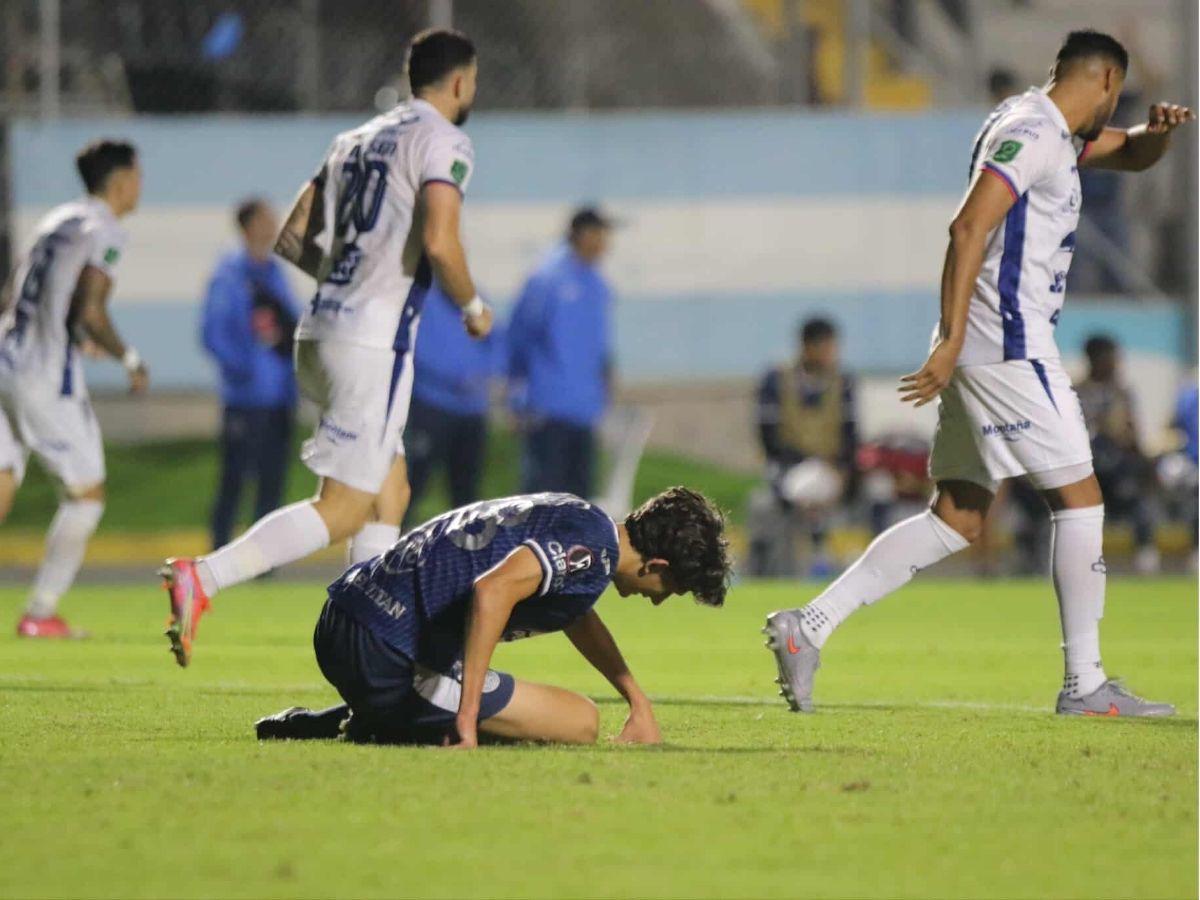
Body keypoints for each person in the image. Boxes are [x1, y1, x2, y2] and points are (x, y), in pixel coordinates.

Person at [764, 30, 1192, 717]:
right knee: (1080, 500)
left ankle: (807, 628)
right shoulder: (1034, 133)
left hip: (987, 345)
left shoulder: (1046, 127)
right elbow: (968, 227)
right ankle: (1085, 683)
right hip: (1007, 343)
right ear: (1107, 81)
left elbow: (1131, 153)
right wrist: (953, 337)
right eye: (1119, 101)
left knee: (958, 516)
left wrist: (1157, 135)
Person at [160, 29, 494, 666]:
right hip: (372, 343)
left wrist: (350, 282)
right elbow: (441, 242)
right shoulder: (444, 139)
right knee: (343, 507)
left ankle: (372, 645)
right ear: (458, 82)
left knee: (390, 494)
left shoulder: (353, 139)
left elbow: (292, 237)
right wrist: (473, 309)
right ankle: (202, 576)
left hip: (320, 331)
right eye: (473, 82)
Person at [254, 487, 731, 747]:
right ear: (656, 565)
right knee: (580, 721)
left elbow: (577, 615)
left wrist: (637, 701)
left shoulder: (580, 518)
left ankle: (361, 716)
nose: (661, 600)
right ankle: (379, 720)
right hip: (386, 653)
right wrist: (467, 717)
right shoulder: (593, 552)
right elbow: (493, 589)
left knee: (511, 702)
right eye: (672, 589)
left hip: (343, 616)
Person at [0, 139, 148, 638]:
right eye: (138, 175)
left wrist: (76, 333)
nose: (141, 185)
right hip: (42, 375)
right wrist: (128, 357)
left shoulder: (56, 221)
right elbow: (90, 308)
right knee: (87, 494)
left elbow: (20, 294)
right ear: (121, 181)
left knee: (2, 483)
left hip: (5, 356)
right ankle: (40, 613)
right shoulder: (106, 230)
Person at [201, 198, 301, 549]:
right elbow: (213, 334)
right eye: (265, 219)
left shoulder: (275, 274)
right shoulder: (229, 275)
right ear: (248, 226)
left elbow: (292, 325)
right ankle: (219, 553)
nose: (273, 225)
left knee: (273, 481)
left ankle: (264, 558)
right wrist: (244, 371)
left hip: (280, 396)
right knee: (234, 480)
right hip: (245, 399)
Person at [507, 207, 615, 499]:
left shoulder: (597, 285)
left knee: (579, 502)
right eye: (599, 234)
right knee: (542, 499)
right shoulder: (547, 278)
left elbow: (600, 347)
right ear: (582, 234)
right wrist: (515, 393)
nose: (605, 243)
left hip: (584, 409)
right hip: (548, 407)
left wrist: (605, 389)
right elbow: (519, 336)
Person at [751, 317, 857, 578]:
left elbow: (851, 434)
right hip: (788, 468)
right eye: (827, 347)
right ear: (809, 347)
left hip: (832, 469)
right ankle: (807, 559)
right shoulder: (776, 380)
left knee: (873, 491)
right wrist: (802, 460)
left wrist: (843, 467)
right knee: (798, 489)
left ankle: (832, 559)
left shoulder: (843, 381)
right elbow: (769, 436)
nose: (832, 354)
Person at [403, 282, 500, 524]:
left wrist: (485, 377)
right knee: (412, 484)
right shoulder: (421, 300)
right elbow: (414, 348)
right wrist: (457, 378)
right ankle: (392, 541)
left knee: (467, 496)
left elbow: (498, 346)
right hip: (431, 405)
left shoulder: (479, 301)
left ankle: (465, 546)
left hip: (471, 411)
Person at [1074, 335, 1158, 573]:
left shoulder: (1122, 393)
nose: (1115, 363)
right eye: (1111, 357)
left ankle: (1145, 554)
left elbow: (1133, 434)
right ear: (1095, 359)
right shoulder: (1076, 393)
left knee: (1139, 497)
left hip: (1119, 467)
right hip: (1087, 468)